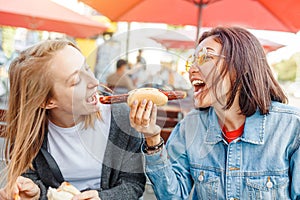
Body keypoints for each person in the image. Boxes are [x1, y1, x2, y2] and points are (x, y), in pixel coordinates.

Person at [129, 26, 300, 199]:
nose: (192, 69)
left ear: (240, 66)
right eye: (192, 61)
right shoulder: (190, 126)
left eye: (206, 57)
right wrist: (152, 138)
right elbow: (172, 195)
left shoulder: (292, 128)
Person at [0, 39, 146, 200]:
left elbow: (134, 184)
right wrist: (35, 192)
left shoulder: (121, 117)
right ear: (47, 101)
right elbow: (33, 181)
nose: (94, 82)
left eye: (87, 68)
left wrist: (103, 198)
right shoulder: (29, 132)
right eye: (76, 81)